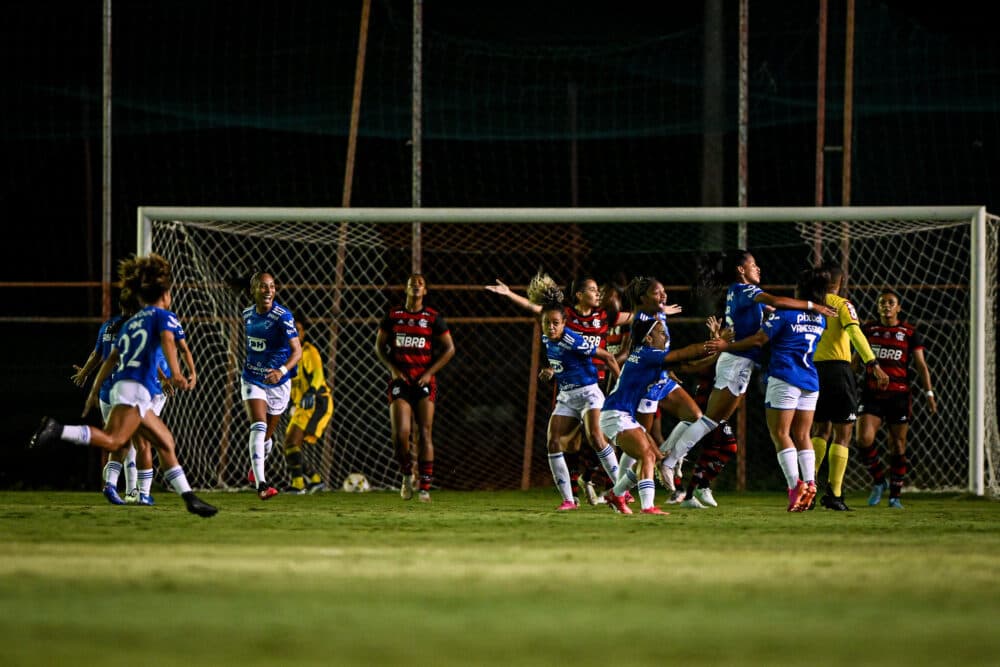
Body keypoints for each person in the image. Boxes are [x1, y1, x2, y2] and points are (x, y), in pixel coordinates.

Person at [30, 253, 217, 518]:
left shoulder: (130, 323)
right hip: (136, 389)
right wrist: (176, 374)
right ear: (164, 294)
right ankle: (57, 429)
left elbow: (110, 358)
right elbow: (167, 341)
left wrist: (94, 390)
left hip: (125, 387)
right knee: (116, 440)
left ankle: (190, 498)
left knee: (164, 441)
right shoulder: (162, 317)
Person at [668, 250, 836, 508]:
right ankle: (671, 461)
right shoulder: (748, 291)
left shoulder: (754, 300)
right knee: (712, 419)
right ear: (740, 270)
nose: (759, 269)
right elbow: (775, 302)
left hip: (753, 365)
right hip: (751, 365)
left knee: (716, 421)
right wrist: (813, 306)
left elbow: (769, 315)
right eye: (754, 265)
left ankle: (680, 467)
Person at [486, 272, 635, 504]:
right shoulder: (562, 319)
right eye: (593, 289)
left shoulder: (595, 320)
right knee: (565, 442)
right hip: (568, 388)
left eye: (598, 290)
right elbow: (538, 310)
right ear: (579, 295)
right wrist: (509, 295)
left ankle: (617, 488)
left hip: (594, 384)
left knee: (600, 436)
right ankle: (572, 496)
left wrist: (657, 311)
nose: (598, 293)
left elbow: (625, 329)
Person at [711, 266, 829, 512]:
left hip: (785, 377)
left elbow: (758, 340)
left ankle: (794, 488)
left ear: (799, 290)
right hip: (810, 380)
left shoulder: (785, 314)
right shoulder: (821, 317)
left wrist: (725, 346)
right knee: (803, 435)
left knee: (780, 433)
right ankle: (810, 483)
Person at [599, 316, 722, 515]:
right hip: (616, 414)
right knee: (646, 455)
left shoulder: (650, 357)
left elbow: (690, 366)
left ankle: (615, 494)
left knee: (651, 456)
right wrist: (714, 343)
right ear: (648, 339)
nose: (665, 334)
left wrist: (717, 347)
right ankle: (648, 506)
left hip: (623, 415)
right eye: (660, 332)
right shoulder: (648, 354)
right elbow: (686, 353)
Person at [809, 262, 890, 511]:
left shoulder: (807, 304)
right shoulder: (841, 304)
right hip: (837, 372)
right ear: (839, 282)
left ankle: (807, 490)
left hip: (811, 371)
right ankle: (834, 494)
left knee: (819, 431)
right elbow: (856, 334)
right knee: (842, 435)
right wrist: (873, 364)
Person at [534, 283, 621, 510]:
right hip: (567, 396)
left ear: (564, 324)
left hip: (589, 393)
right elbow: (563, 363)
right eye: (547, 323)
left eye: (555, 323)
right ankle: (569, 501)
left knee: (596, 437)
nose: (551, 327)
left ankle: (622, 491)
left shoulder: (573, 339)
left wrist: (622, 388)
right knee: (553, 442)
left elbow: (608, 358)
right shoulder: (546, 340)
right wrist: (551, 371)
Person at [375, 273, 456, 502]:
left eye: (421, 282)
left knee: (425, 432)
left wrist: (429, 373)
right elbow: (379, 346)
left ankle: (425, 488)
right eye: (413, 282)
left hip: (423, 381)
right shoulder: (394, 316)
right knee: (401, 434)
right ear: (407, 288)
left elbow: (450, 349)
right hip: (401, 381)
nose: (417, 284)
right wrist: (392, 368)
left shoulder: (432, 318)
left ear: (425, 290)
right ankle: (406, 475)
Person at [856, 288, 937, 509]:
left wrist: (929, 393)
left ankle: (895, 497)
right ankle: (879, 481)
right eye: (882, 302)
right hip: (872, 393)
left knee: (898, 445)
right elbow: (856, 360)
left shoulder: (909, 332)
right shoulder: (869, 329)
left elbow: (921, 366)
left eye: (891, 302)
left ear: (898, 307)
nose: (886, 305)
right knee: (863, 439)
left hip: (899, 395)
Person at [241, 270, 302, 500]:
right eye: (263, 286)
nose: (268, 290)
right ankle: (262, 485)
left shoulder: (282, 316)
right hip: (252, 378)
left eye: (272, 286)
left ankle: (254, 471)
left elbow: (297, 351)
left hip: (279, 382)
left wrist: (281, 371)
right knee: (258, 425)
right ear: (253, 290)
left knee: (267, 436)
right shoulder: (247, 314)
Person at [283, 315, 333, 494]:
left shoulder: (308, 351)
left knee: (291, 441)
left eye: (299, 329)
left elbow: (318, 375)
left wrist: (311, 391)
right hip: (302, 405)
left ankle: (298, 485)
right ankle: (314, 479)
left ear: (303, 333)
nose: (295, 332)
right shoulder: (285, 357)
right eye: (292, 328)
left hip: (318, 402)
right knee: (291, 444)